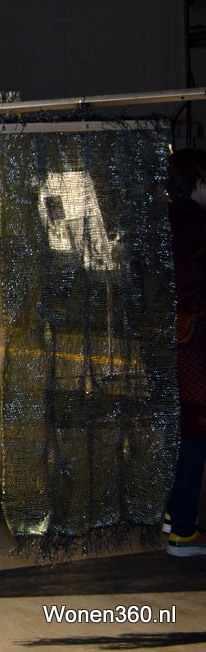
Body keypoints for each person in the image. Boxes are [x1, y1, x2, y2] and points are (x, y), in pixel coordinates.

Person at [164, 148, 206, 556]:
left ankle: (172, 512)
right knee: (195, 434)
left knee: (176, 431)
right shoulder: (196, 224)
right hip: (192, 344)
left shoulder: (158, 222)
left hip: (162, 340)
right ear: (198, 182)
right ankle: (183, 530)